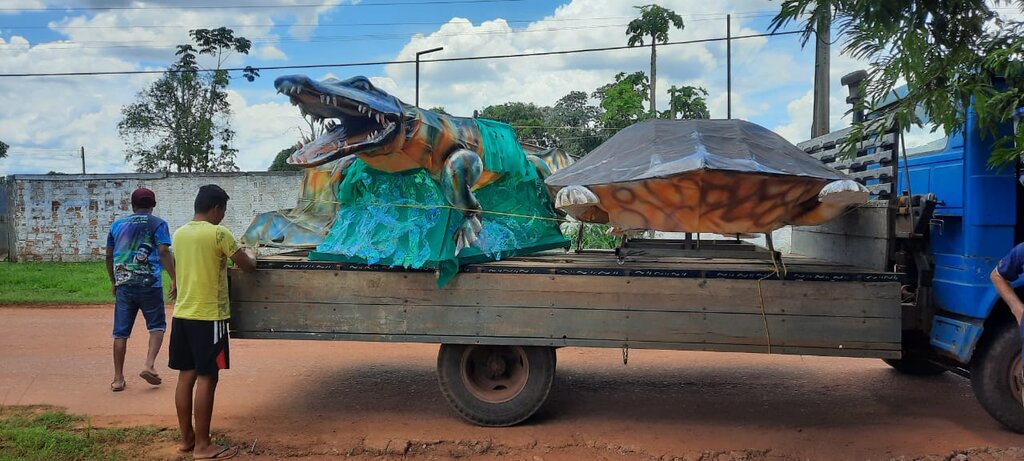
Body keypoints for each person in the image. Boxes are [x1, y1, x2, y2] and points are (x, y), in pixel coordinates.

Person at [169, 184, 256, 460]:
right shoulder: (219, 233)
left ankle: (187, 440)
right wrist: (252, 253)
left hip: (183, 314)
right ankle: (204, 446)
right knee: (208, 376)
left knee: (186, 376)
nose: (223, 216)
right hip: (210, 318)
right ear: (216, 208)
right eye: (223, 211)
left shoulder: (179, 234)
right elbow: (247, 265)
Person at [105, 187, 176, 392]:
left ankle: (118, 379)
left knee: (120, 332)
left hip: (124, 284)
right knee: (156, 326)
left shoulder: (117, 225)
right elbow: (163, 250)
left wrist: (113, 280)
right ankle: (149, 364)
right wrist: (174, 277)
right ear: (152, 205)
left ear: (133, 205)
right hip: (150, 284)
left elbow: (109, 255)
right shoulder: (158, 223)